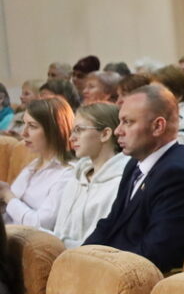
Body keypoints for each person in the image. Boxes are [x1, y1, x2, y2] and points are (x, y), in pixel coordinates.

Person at [83, 85, 184, 272]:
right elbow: (110, 224)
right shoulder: (134, 164)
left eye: (127, 122)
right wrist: (80, 259)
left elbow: (155, 253)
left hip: (140, 279)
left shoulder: (177, 175)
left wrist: (98, 270)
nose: (118, 131)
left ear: (158, 126)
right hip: (114, 268)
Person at [53, 103, 130, 248]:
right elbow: (58, 230)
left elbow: (99, 245)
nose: (71, 138)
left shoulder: (121, 183)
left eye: (79, 130)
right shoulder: (76, 178)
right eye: (72, 131)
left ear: (105, 134)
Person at [0, 97, 75, 231]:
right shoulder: (34, 165)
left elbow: (40, 225)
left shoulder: (67, 174)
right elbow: (10, 214)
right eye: (24, 124)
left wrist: (8, 196)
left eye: (32, 126)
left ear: (54, 130)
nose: (23, 133)